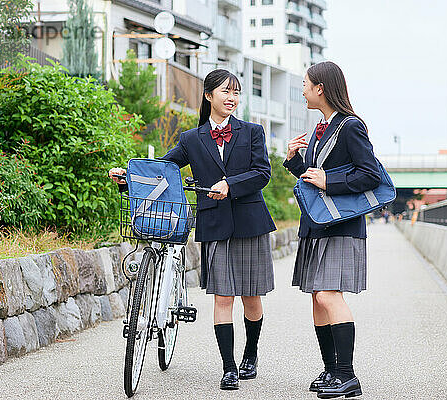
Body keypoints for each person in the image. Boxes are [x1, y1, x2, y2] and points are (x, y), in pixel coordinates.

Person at [109, 69, 276, 391]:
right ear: (209, 95)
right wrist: (128, 177)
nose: (232, 98)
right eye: (226, 92)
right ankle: (228, 367)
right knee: (223, 297)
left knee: (252, 297)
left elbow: (261, 174)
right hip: (214, 224)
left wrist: (230, 184)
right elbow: (164, 171)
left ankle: (250, 354)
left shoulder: (253, 132)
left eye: (237, 93)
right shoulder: (191, 139)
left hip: (250, 222)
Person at [283, 61, 381, 399]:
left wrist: (331, 179)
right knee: (317, 297)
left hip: (341, 224)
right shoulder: (319, 129)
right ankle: (330, 370)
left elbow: (371, 175)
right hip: (317, 224)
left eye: (306, 84)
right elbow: (313, 180)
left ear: (321, 88)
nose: (303, 90)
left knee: (328, 294)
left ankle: (346, 374)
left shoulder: (350, 126)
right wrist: (294, 161)